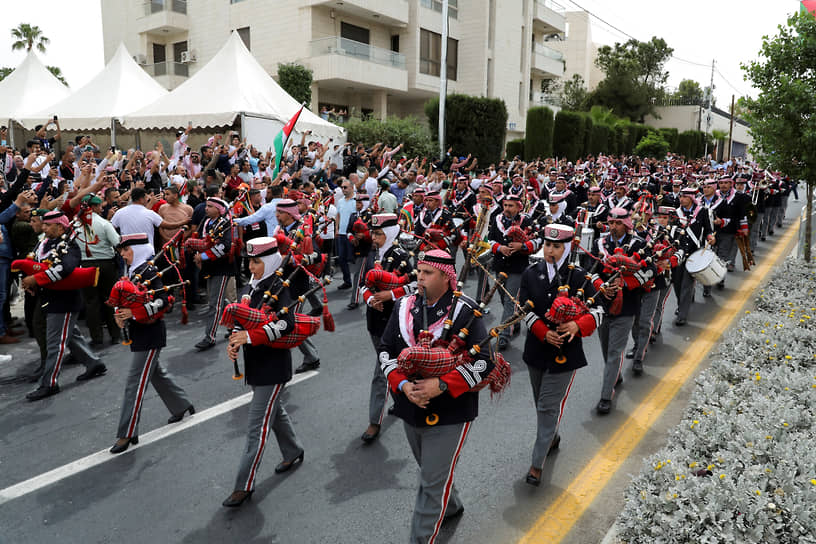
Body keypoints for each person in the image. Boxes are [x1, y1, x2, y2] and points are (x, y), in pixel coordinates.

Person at [379, 249, 494, 544]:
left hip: (452, 410)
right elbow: (385, 351)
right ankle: (451, 505)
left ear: (446, 277)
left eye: (427, 272)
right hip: (410, 404)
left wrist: (440, 385)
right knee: (430, 470)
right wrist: (403, 386)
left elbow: (484, 364)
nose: (419, 277)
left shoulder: (466, 311)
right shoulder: (404, 306)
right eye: (419, 271)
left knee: (429, 484)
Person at [222, 236, 304, 507]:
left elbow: (286, 324)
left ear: (269, 260)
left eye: (257, 261)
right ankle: (293, 450)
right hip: (256, 365)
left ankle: (243, 485)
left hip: (273, 366)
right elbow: (242, 317)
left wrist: (250, 337)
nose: (252, 267)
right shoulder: (252, 286)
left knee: (256, 427)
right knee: (273, 410)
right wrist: (235, 339)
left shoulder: (280, 287)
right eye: (249, 261)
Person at [519, 224, 603, 486]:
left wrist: (578, 325)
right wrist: (543, 332)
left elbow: (600, 310)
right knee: (540, 403)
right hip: (536, 348)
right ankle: (552, 436)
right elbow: (524, 309)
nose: (550, 251)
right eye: (547, 245)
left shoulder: (579, 276)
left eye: (556, 246)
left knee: (546, 406)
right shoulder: (531, 273)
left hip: (564, 354)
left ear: (566, 248)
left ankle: (537, 464)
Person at [110, 233, 194, 454]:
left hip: (150, 333)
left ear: (136, 250)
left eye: (126, 250)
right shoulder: (131, 271)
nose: (123, 254)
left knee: (135, 383)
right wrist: (120, 315)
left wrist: (134, 312)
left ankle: (127, 432)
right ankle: (181, 404)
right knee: (155, 373)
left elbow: (163, 299)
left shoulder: (148, 271)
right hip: (139, 332)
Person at [22, 211, 107, 401]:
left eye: (47, 225)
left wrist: (36, 279)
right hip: (48, 297)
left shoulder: (69, 245)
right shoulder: (43, 243)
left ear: (60, 226)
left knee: (56, 343)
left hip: (64, 301)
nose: (43, 228)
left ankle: (49, 383)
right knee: (70, 336)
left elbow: (64, 269)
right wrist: (31, 282)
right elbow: (35, 263)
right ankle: (93, 364)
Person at [357, 213, 415, 443]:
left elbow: (414, 284)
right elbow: (363, 283)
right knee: (388, 366)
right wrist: (371, 299)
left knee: (381, 371)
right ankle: (400, 401)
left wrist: (390, 294)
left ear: (390, 233)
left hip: (393, 321)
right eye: (373, 232)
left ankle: (374, 421)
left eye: (379, 233)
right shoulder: (372, 254)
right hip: (374, 319)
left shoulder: (401, 255)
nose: (374, 237)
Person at [592, 207, 654, 414]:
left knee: (614, 352)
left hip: (626, 306)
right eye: (611, 223)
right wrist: (601, 284)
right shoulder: (600, 243)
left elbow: (651, 272)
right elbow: (589, 270)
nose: (613, 227)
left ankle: (605, 397)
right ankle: (615, 376)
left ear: (627, 224)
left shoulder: (640, 244)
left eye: (618, 223)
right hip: (603, 304)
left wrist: (626, 283)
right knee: (605, 348)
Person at [486, 194, 540, 351]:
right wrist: (499, 248)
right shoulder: (496, 219)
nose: (507, 209)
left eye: (511, 206)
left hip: (518, 266)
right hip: (500, 264)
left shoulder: (527, 221)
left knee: (510, 299)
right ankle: (514, 322)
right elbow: (489, 240)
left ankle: (503, 335)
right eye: (505, 205)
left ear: (518, 207)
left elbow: (538, 240)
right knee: (503, 297)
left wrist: (522, 247)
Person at [77, 194, 121, 345]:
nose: (102, 209)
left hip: (85, 266)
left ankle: (97, 337)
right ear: (94, 207)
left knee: (91, 303)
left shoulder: (74, 225)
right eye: (100, 206)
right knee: (110, 299)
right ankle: (115, 334)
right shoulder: (104, 223)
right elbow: (117, 242)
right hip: (106, 265)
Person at [192, 197, 235, 350]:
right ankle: (236, 322)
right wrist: (199, 254)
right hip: (210, 266)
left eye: (210, 206)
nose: (206, 208)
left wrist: (203, 256)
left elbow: (225, 246)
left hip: (221, 267)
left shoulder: (224, 224)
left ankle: (209, 336)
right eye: (206, 206)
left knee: (214, 304)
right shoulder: (206, 222)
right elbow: (201, 241)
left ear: (219, 209)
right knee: (218, 300)